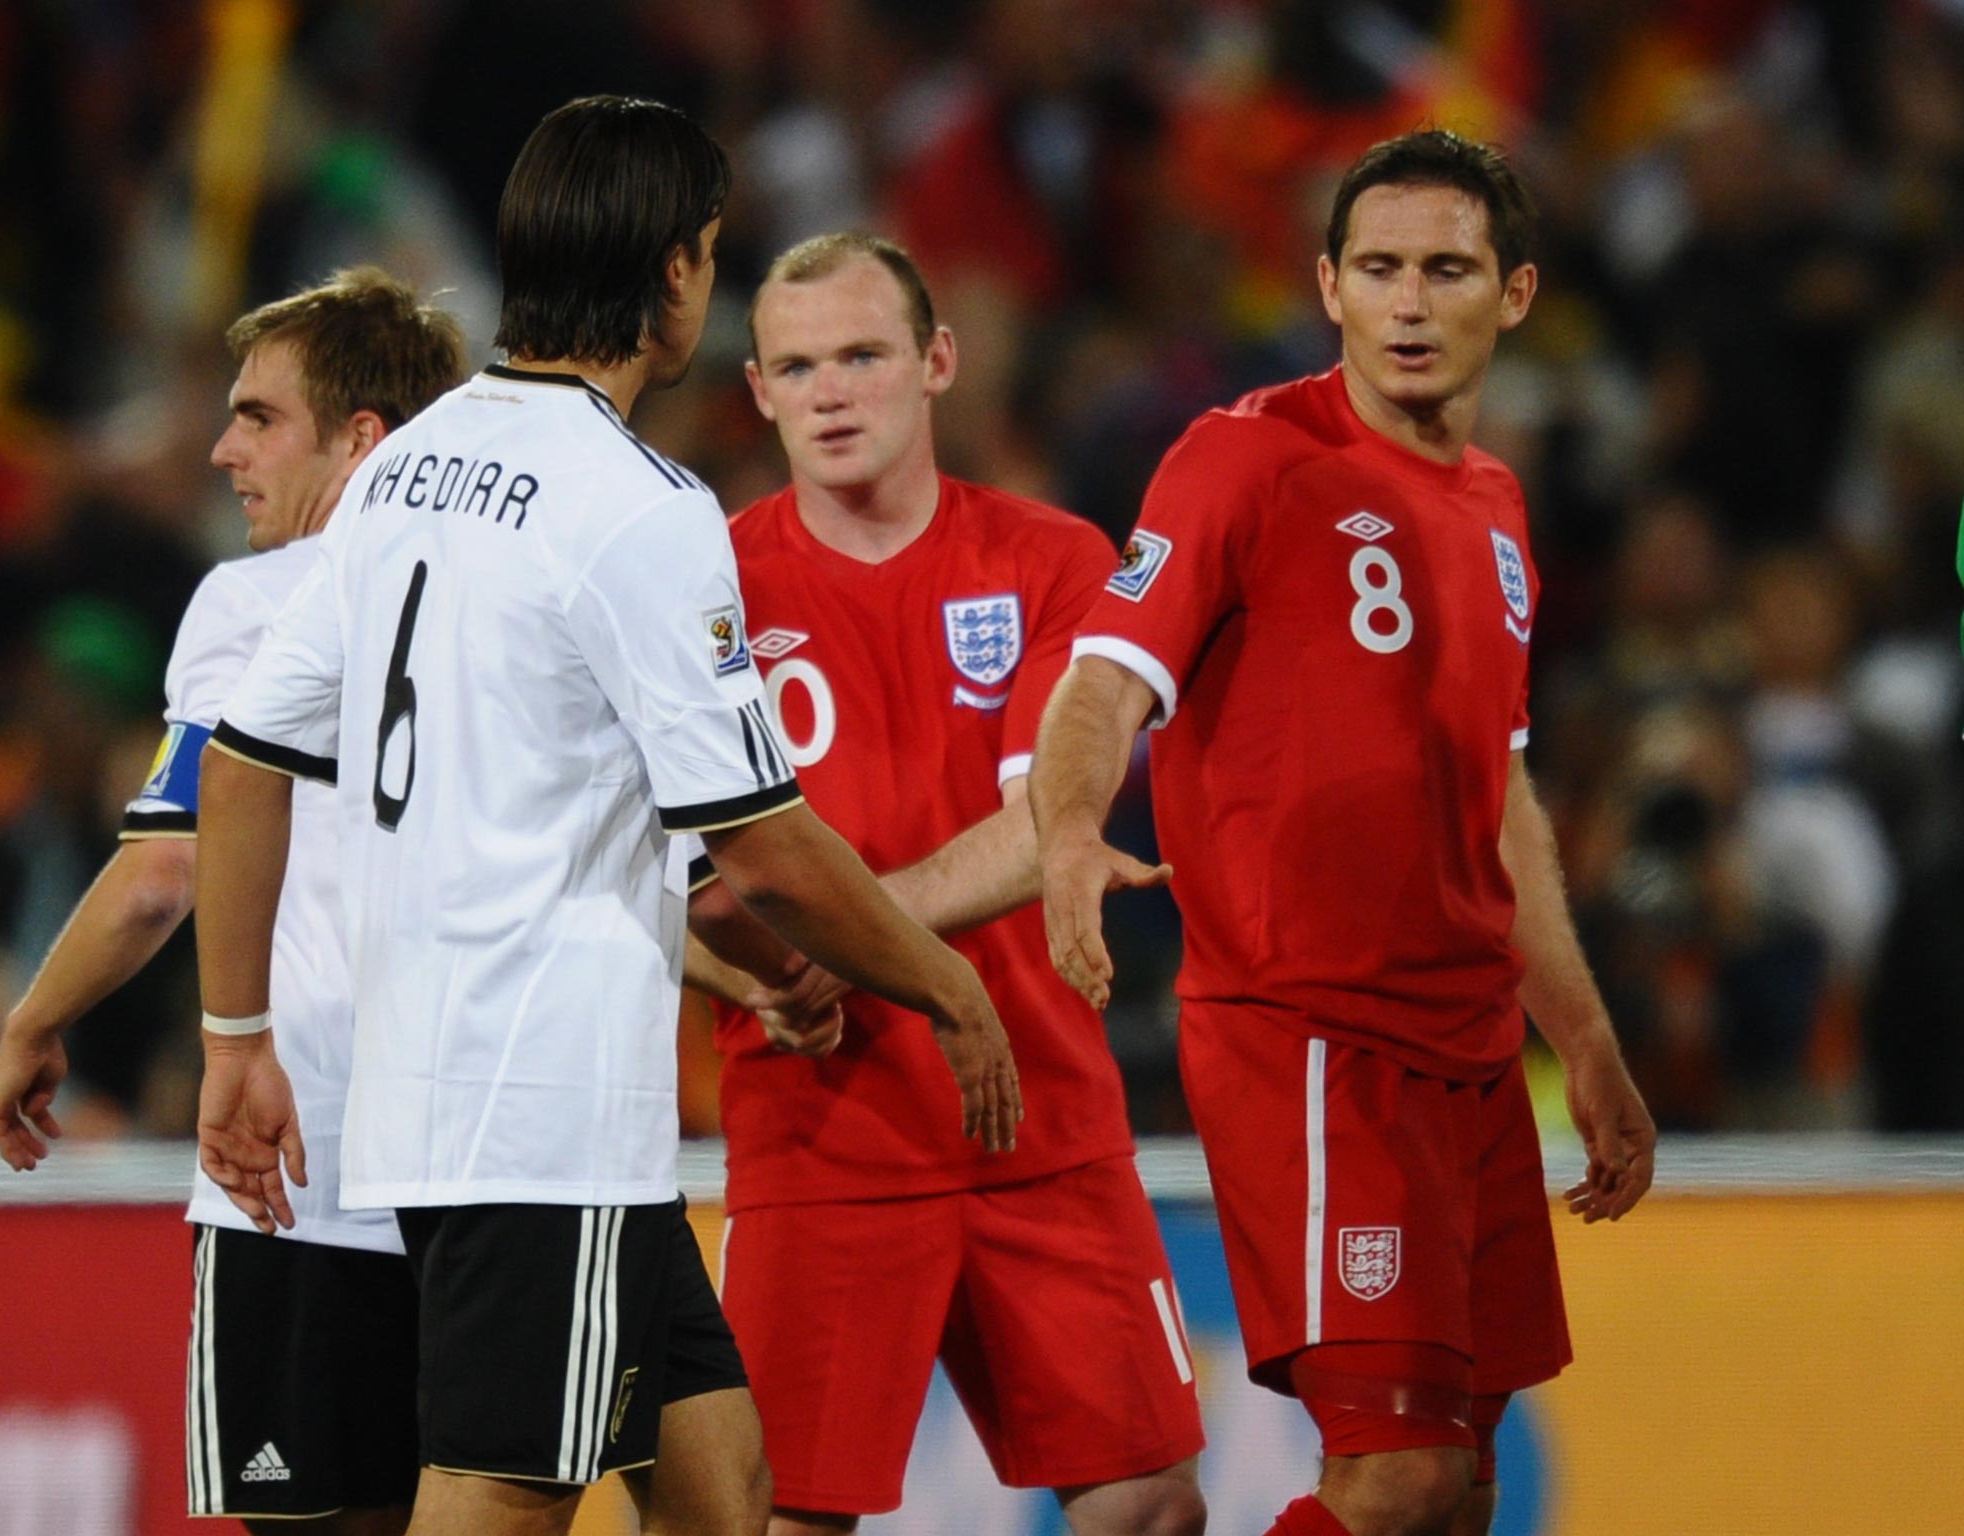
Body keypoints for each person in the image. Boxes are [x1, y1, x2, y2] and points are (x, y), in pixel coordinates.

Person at [187, 95, 1021, 1536]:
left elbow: (250, 757)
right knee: (505, 1490)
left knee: (721, 1482)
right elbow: (762, 835)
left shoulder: (403, 469)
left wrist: (233, 1039)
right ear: (679, 273)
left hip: (462, 1094)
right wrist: (945, 981)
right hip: (541, 1104)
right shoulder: (640, 507)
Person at [1029, 130, 1658, 1536]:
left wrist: (1591, 1043)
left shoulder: (1498, 512)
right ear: (1328, 286)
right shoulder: (1245, 457)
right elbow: (1103, 678)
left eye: (1448, 268)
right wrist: (1068, 826)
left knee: (1460, 1487)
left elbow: (1501, 804)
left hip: (1472, 1056)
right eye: (1379, 268)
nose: (1412, 302)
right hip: (1312, 1035)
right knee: (1397, 1475)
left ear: (1517, 293)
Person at [685, 232, 1207, 1536]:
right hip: (821, 1126)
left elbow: (1053, 820)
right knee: (786, 1521)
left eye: (863, 354)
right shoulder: (705, 590)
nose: (832, 391)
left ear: (937, 362)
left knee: (1148, 1503)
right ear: (758, 391)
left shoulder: (1050, 562)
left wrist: (834, 937)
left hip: (1036, 1110)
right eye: (797, 366)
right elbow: (643, 864)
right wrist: (736, 966)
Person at [0, 267, 466, 1534]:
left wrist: (33, 1022)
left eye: (258, 418)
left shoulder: (252, 602)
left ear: (362, 440)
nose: (221, 448)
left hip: (291, 1171)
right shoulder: (498, 611)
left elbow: (161, 868)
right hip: (485, 1176)